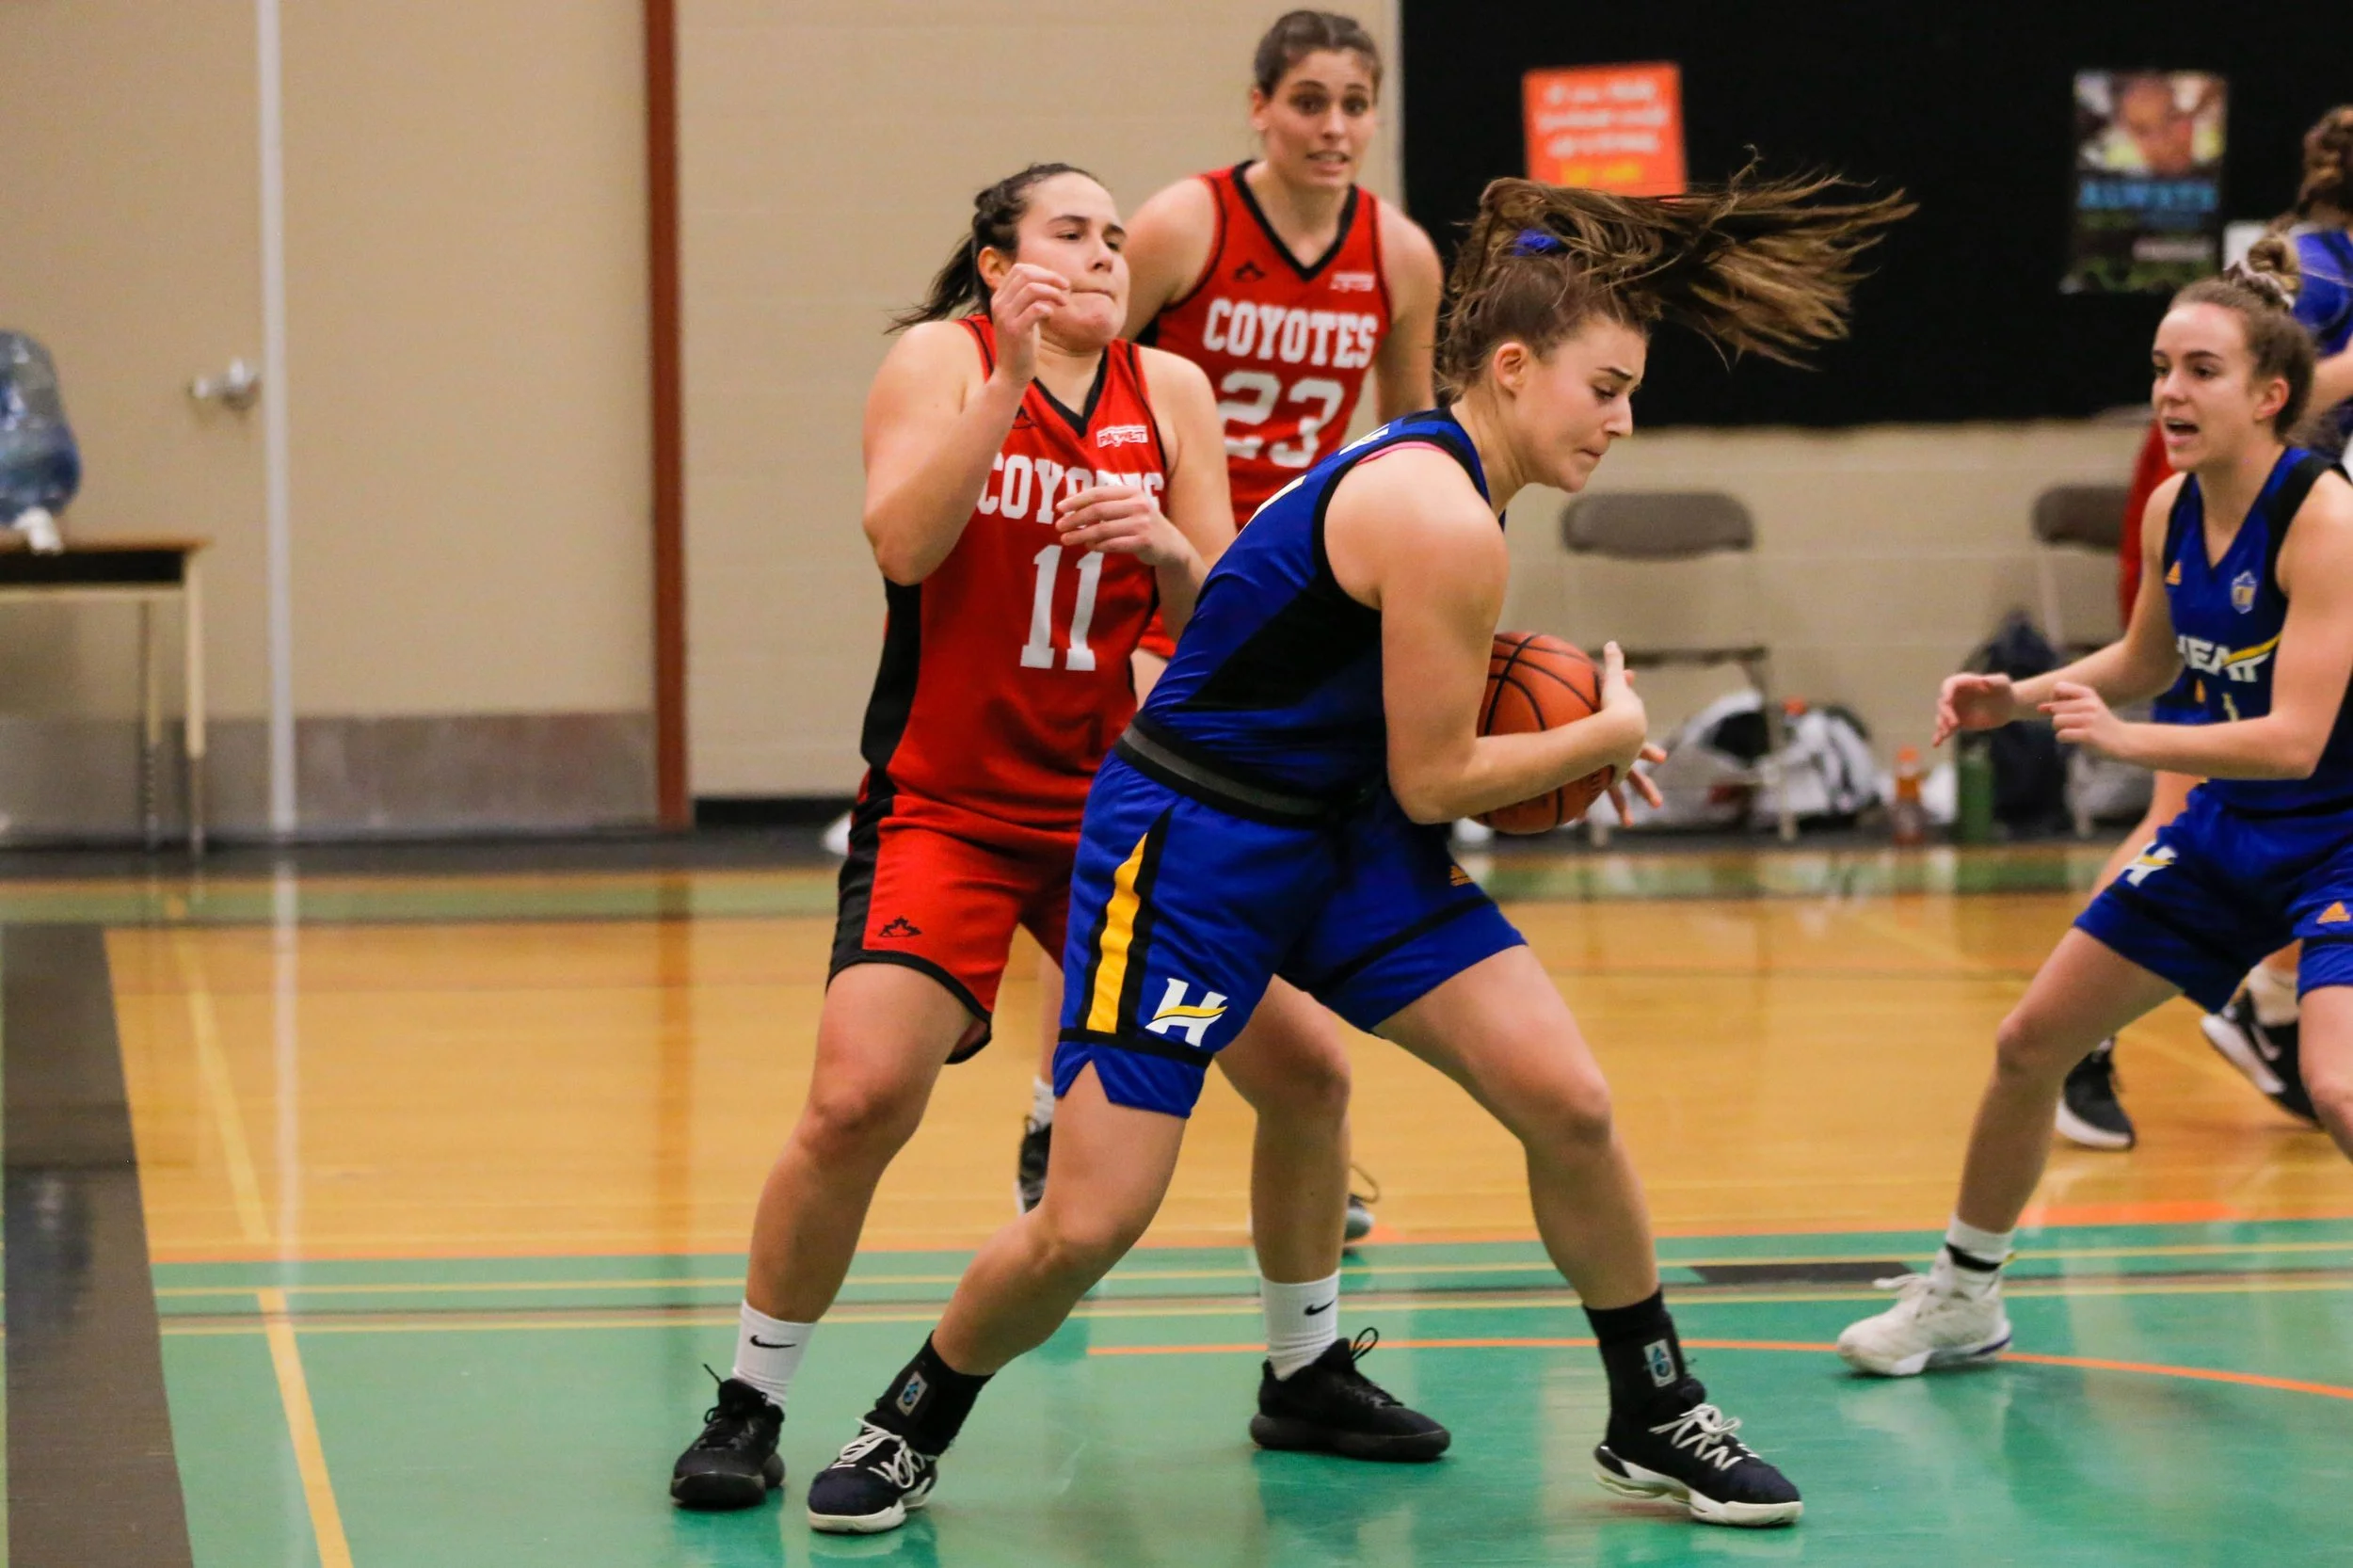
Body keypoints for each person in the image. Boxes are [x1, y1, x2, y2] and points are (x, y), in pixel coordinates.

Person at [800, 167, 1910, 1536]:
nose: (1624, 420)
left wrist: (1566, 740)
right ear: (1513, 368)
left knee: (1566, 1098)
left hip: (1342, 833)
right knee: (1092, 1219)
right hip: (1195, 850)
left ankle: (1652, 1401)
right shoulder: (1439, 511)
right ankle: (912, 1416)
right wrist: (1602, 730)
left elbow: (1401, 750)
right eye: (1606, 387)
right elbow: (1439, 769)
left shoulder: (1457, 482)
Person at [668, 163, 1439, 1510]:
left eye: (1111, 239)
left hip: (1129, 808)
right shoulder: (937, 360)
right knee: (858, 1100)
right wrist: (1009, 378)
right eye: (1067, 234)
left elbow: (1223, 624)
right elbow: (904, 545)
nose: (1099, 256)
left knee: (1310, 1072)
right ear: (995, 262)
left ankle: (1304, 1369)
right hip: (949, 808)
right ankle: (751, 1398)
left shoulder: (1173, 393)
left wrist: (1172, 551)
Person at [1840, 240, 2353, 1378]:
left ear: (2271, 395)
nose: (2170, 391)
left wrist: (2130, 741)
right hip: (2230, 830)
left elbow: (2296, 740)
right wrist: (2014, 699)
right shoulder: (2173, 508)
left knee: (2336, 1084)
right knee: (2030, 1043)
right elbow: (2140, 655)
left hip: (2339, 839)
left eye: (2201, 370)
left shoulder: (2324, 520)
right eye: (2162, 366)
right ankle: (1964, 1296)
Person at [1011, 9, 1446, 1239]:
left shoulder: (1401, 255)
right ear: (1259, 107)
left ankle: (1312, 1123)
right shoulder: (1185, 224)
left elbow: (1415, 442)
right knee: (1135, 839)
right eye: (1309, 100)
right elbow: (1086, 363)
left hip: (1304, 590)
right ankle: (1064, 1101)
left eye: (1356, 103)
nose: (1334, 126)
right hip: (1172, 572)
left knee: (1292, 845)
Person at [2057, 108, 2353, 1147]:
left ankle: (2275, 999)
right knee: (2186, 804)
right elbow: (2295, 392)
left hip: (2279, 536)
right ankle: (2084, 1042)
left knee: (2292, 799)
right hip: (2219, 522)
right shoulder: (2316, 271)